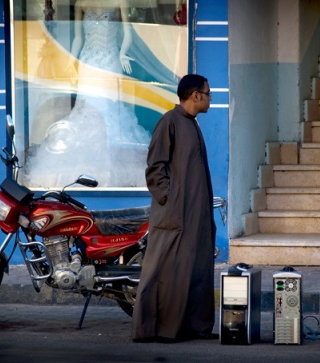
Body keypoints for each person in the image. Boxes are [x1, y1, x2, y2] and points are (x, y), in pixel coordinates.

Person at [23, 0, 150, 188]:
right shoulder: (81, 3)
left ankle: (111, 163)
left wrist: (123, 53)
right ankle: (84, 161)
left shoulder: (118, 2)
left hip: (110, 60)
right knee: (86, 108)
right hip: (87, 60)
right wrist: (71, 61)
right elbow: (78, 38)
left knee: (109, 108)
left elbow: (128, 33)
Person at [131, 74, 218, 343]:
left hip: (194, 216)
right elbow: (155, 168)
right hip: (174, 215)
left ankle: (192, 327)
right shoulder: (169, 122)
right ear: (195, 95)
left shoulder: (191, 124)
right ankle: (156, 329)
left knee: (195, 270)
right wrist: (170, 200)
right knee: (166, 272)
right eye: (207, 92)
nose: (210, 97)